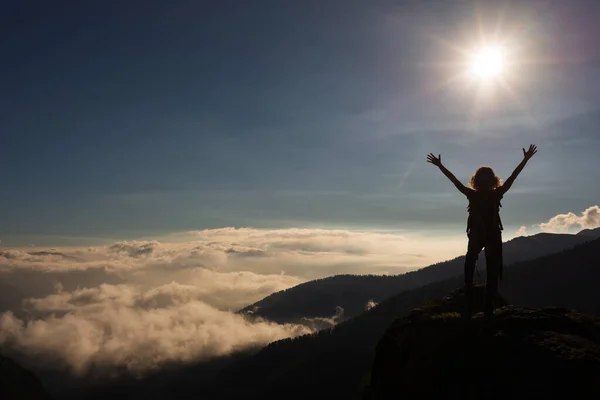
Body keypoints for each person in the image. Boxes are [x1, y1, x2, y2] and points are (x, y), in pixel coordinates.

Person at [426, 144, 538, 317]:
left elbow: (454, 180)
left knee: (470, 262)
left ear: (476, 180)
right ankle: (488, 308)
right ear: (493, 180)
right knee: (492, 270)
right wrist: (525, 159)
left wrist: (440, 166)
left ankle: (469, 295)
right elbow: (512, 177)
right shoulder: (496, 194)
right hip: (493, 234)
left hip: (477, 234)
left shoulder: (472, 195)